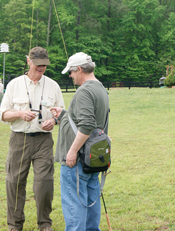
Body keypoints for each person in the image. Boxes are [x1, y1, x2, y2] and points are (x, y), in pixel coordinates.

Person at [0, 47, 65, 231]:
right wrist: (20, 113)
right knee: (15, 182)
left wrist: (54, 120)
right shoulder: (14, 85)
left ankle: (44, 224)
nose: (41, 68)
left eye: (44, 65)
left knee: (44, 183)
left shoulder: (53, 85)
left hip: (44, 141)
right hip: (19, 139)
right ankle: (15, 225)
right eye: (38, 64)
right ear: (28, 61)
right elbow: (4, 114)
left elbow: (62, 113)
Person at [50, 52, 109, 231]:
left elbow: (87, 124)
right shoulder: (100, 88)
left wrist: (72, 151)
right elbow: (91, 121)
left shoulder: (84, 91)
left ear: (80, 70)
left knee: (75, 208)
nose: (70, 76)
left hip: (78, 161)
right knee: (91, 204)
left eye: (71, 72)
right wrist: (63, 115)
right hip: (92, 159)